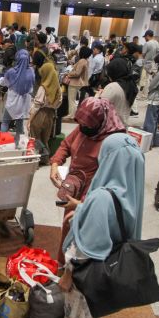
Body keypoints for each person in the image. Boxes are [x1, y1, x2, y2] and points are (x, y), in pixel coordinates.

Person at [56, 132, 144, 318]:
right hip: (107, 270)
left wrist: (67, 274)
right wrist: (83, 209)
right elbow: (113, 216)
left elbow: (85, 249)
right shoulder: (129, 192)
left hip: (86, 274)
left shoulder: (101, 197)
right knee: (92, 316)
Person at [50, 98, 126, 262]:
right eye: (81, 125)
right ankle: (63, 268)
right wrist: (55, 163)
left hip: (93, 195)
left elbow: (112, 182)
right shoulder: (84, 128)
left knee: (83, 235)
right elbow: (66, 145)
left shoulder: (112, 142)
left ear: (100, 123)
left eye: (87, 126)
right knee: (67, 228)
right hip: (75, 188)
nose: (83, 129)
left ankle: (75, 274)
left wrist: (82, 205)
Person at [0, 50, 34, 145]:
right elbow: (32, 86)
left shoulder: (11, 72)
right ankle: (18, 143)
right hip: (24, 103)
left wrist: (0, 79)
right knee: (19, 123)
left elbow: (4, 83)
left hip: (12, 102)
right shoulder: (31, 72)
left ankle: (3, 142)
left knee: (5, 122)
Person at [29, 61, 61, 147]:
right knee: (45, 140)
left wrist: (29, 121)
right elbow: (58, 103)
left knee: (35, 140)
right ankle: (45, 158)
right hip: (50, 115)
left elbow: (36, 106)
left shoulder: (43, 88)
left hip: (40, 114)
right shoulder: (58, 88)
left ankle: (36, 158)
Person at [96, 57, 137, 126]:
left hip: (110, 126)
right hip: (123, 124)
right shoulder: (130, 84)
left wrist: (97, 95)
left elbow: (100, 107)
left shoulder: (113, 87)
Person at [64, 45, 91, 119]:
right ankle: (73, 114)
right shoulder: (86, 61)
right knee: (74, 99)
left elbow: (77, 73)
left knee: (71, 99)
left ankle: (71, 115)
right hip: (80, 82)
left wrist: (68, 73)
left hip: (75, 82)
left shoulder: (82, 61)